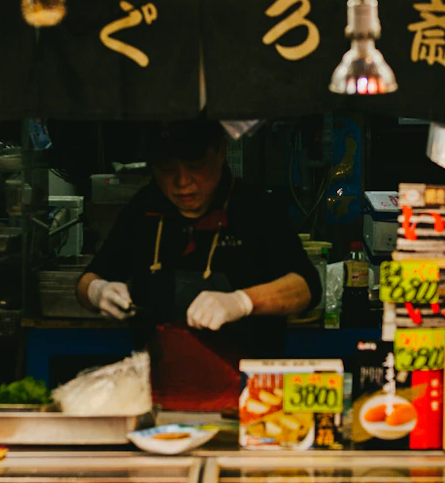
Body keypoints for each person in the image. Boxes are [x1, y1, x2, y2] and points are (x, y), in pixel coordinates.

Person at [76, 120, 319, 357]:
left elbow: (306, 287)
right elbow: (89, 279)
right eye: (167, 168)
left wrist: (242, 301)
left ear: (221, 152)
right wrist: (98, 291)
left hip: (248, 384)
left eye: (196, 166)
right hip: (159, 381)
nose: (182, 182)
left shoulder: (255, 209)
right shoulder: (144, 208)